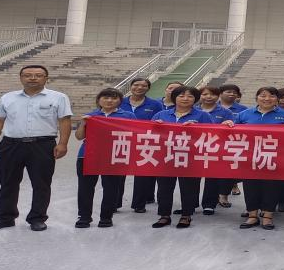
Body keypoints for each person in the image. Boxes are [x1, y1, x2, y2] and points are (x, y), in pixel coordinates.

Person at [0, 65, 73, 232]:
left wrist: (63, 143)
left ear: (46, 78)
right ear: (21, 78)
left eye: (38, 75)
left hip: (42, 145)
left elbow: (64, 121)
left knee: (41, 184)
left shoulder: (58, 97)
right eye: (28, 75)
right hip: (11, 145)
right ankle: (5, 218)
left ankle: (37, 218)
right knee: (8, 183)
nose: (33, 78)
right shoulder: (8, 97)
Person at [223, 87, 284, 230]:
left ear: (277, 99)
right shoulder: (244, 114)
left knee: (271, 187)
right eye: (263, 95)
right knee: (250, 186)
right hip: (250, 157)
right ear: (257, 98)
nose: (267, 99)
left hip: (274, 157)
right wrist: (226, 125)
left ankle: (268, 216)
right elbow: (232, 133)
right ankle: (252, 215)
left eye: (271, 96)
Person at [150, 86, 214, 229]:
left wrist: (197, 129)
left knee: (189, 188)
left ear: (195, 99)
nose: (185, 99)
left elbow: (212, 135)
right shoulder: (161, 114)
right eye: (181, 96)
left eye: (190, 96)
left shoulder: (203, 116)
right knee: (164, 188)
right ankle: (164, 215)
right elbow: (148, 133)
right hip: (166, 157)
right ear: (174, 98)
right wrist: (155, 127)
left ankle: (186, 215)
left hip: (190, 158)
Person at [74, 88, 136, 228]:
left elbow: (135, 134)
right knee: (85, 188)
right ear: (99, 100)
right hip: (88, 156)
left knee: (111, 187)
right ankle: (84, 217)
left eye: (114, 98)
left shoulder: (128, 115)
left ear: (120, 101)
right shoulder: (91, 115)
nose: (109, 101)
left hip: (114, 156)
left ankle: (106, 217)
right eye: (106, 98)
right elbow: (79, 136)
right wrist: (83, 123)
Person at [122, 77, 163, 214]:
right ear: (131, 86)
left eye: (144, 86)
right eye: (136, 85)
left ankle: (139, 204)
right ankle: (114, 203)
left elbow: (160, 120)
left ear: (148, 88)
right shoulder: (120, 102)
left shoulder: (155, 104)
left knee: (142, 174)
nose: (139, 88)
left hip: (144, 142)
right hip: (121, 141)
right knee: (117, 173)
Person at [196, 86, 236, 215]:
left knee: (212, 177)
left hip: (215, 148)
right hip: (194, 147)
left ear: (218, 96)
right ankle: (191, 203)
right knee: (192, 177)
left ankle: (209, 204)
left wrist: (227, 125)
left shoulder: (225, 112)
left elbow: (232, 130)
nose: (208, 97)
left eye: (212, 94)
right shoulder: (193, 109)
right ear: (199, 96)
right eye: (205, 94)